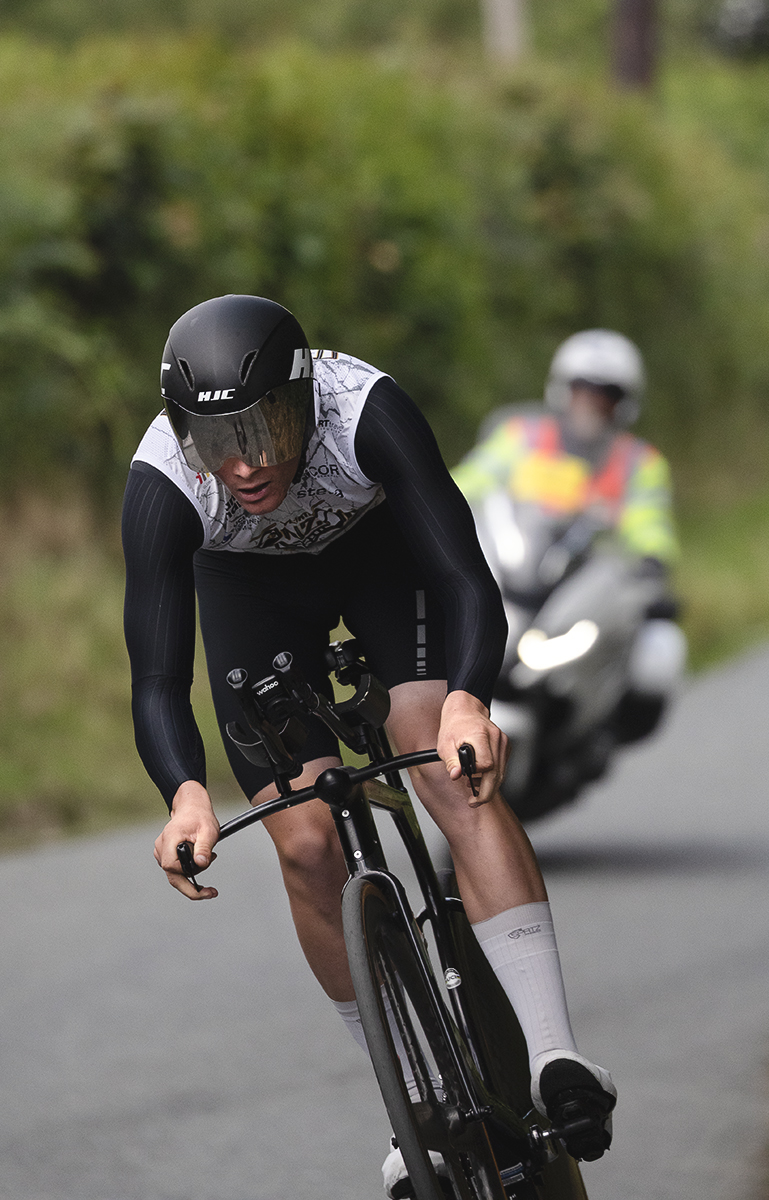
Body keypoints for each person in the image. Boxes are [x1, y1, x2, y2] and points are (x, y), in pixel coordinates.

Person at [121, 295, 616, 1195]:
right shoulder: (163, 480)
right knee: (305, 840)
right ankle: (418, 1104)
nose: (241, 464)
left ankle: (555, 1058)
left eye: (265, 427)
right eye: (212, 438)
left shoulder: (366, 409)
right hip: (250, 594)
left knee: (441, 758)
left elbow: (464, 575)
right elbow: (156, 677)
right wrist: (184, 793)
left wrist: (468, 700)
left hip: (378, 555)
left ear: (305, 400)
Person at [452, 329, 685, 738]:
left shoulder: (638, 462)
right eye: (583, 390)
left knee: (656, 653)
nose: (592, 403)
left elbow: (649, 522)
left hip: (581, 586)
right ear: (563, 390)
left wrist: (653, 561)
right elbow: (469, 483)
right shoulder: (521, 436)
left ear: (623, 403)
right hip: (518, 569)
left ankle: (590, 723)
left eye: (606, 394)